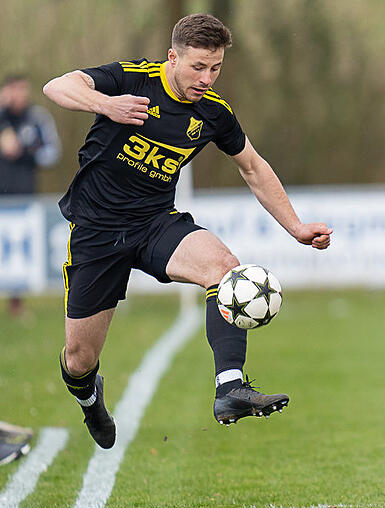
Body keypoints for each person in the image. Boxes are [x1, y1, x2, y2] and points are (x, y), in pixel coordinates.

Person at [42, 14, 332, 450]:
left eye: (215, 68)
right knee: (80, 359)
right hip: (98, 232)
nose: (206, 78)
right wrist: (106, 104)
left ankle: (230, 389)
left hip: (156, 223)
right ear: (173, 56)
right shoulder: (131, 79)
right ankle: (90, 400)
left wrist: (295, 227)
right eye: (198, 67)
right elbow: (57, 86)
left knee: (225, 268)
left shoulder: (214, 112)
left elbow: (252, 167)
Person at [0, 74, 61, 316]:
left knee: (17, 250)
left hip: (24, 195)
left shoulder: (37, 118)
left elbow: (52, 152)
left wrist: (23, 150)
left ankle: (16, 304)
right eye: (14, 90)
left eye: (23, 90)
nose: (20, 95)